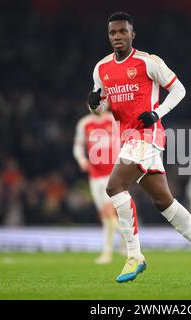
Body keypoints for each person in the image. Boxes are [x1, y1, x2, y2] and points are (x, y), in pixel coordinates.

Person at [88, 11, 191, 283]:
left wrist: (157, 113)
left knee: (114, 187)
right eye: (113, 33)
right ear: (109, 36)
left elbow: (179, 90)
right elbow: (100, 109)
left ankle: (134, 255)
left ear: (132, 34)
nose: (117, 36)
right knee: (164, 201)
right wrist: (94, 104)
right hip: (127, 139)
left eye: (122, 32)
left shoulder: (147, 62)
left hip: (147, 136)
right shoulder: (101, 68)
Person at [73, 109, 125, 264]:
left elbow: (124, 141)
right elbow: (77, 146)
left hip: (112, 174)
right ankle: (124, 240)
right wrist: (81, 159)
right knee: (105, 216)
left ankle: (110, 252)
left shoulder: (113, 120)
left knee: (109, 213)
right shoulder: (84, 123)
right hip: (95, 176)